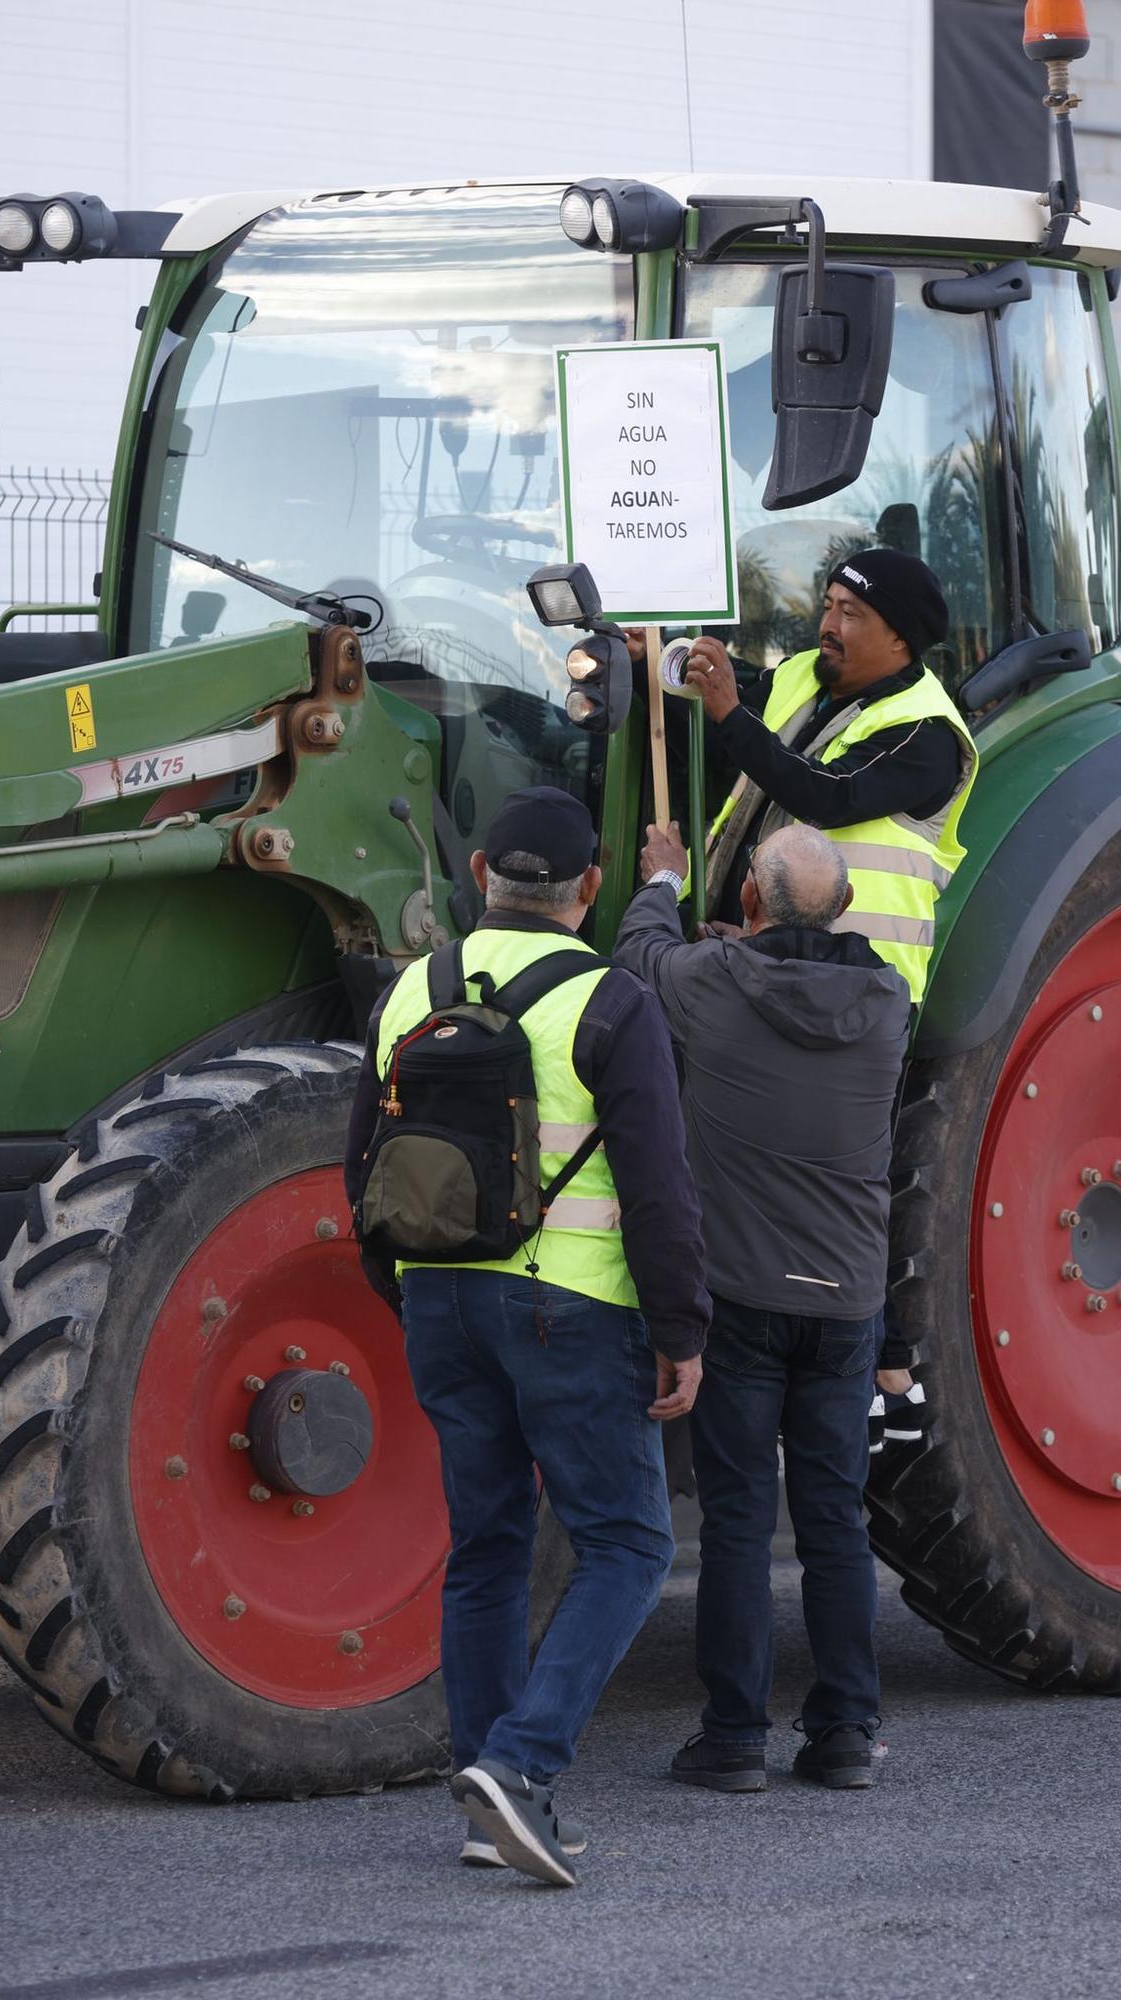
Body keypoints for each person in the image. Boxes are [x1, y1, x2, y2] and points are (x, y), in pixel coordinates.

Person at [344, 786, 709, 1888]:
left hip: (441, 1303)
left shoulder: (411, 987)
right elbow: (656, 1186)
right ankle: (520, 1760)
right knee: (629, 1542)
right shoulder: (610, 998)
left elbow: (359, 1164)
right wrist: (681, 1326)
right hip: (567, 1307)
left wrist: (406, 1289)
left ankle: (483, 1792)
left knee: (490, 1543)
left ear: (478, 880)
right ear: (589, 887)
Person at [614, 818, 911, 1793]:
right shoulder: (884, 1001)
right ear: (848, 907)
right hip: (846, 1302)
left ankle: (734, 1735)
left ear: (747, 900)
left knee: (737, 1519)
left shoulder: (711, 982)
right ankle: (842, 1732)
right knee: (832, 1518)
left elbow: (638, 959)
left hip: (737, 1293)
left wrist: (660, 879)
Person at [684, 547, 978, 1006]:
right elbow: (730, 697)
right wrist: (654, 661)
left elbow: (829, 795)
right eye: (827, 607)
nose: (828, 627)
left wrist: (731, 713)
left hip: (854, 995)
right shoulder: (804, 675)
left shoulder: (925, 733)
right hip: (761, 957)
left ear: (899, 638)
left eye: (850, 613)